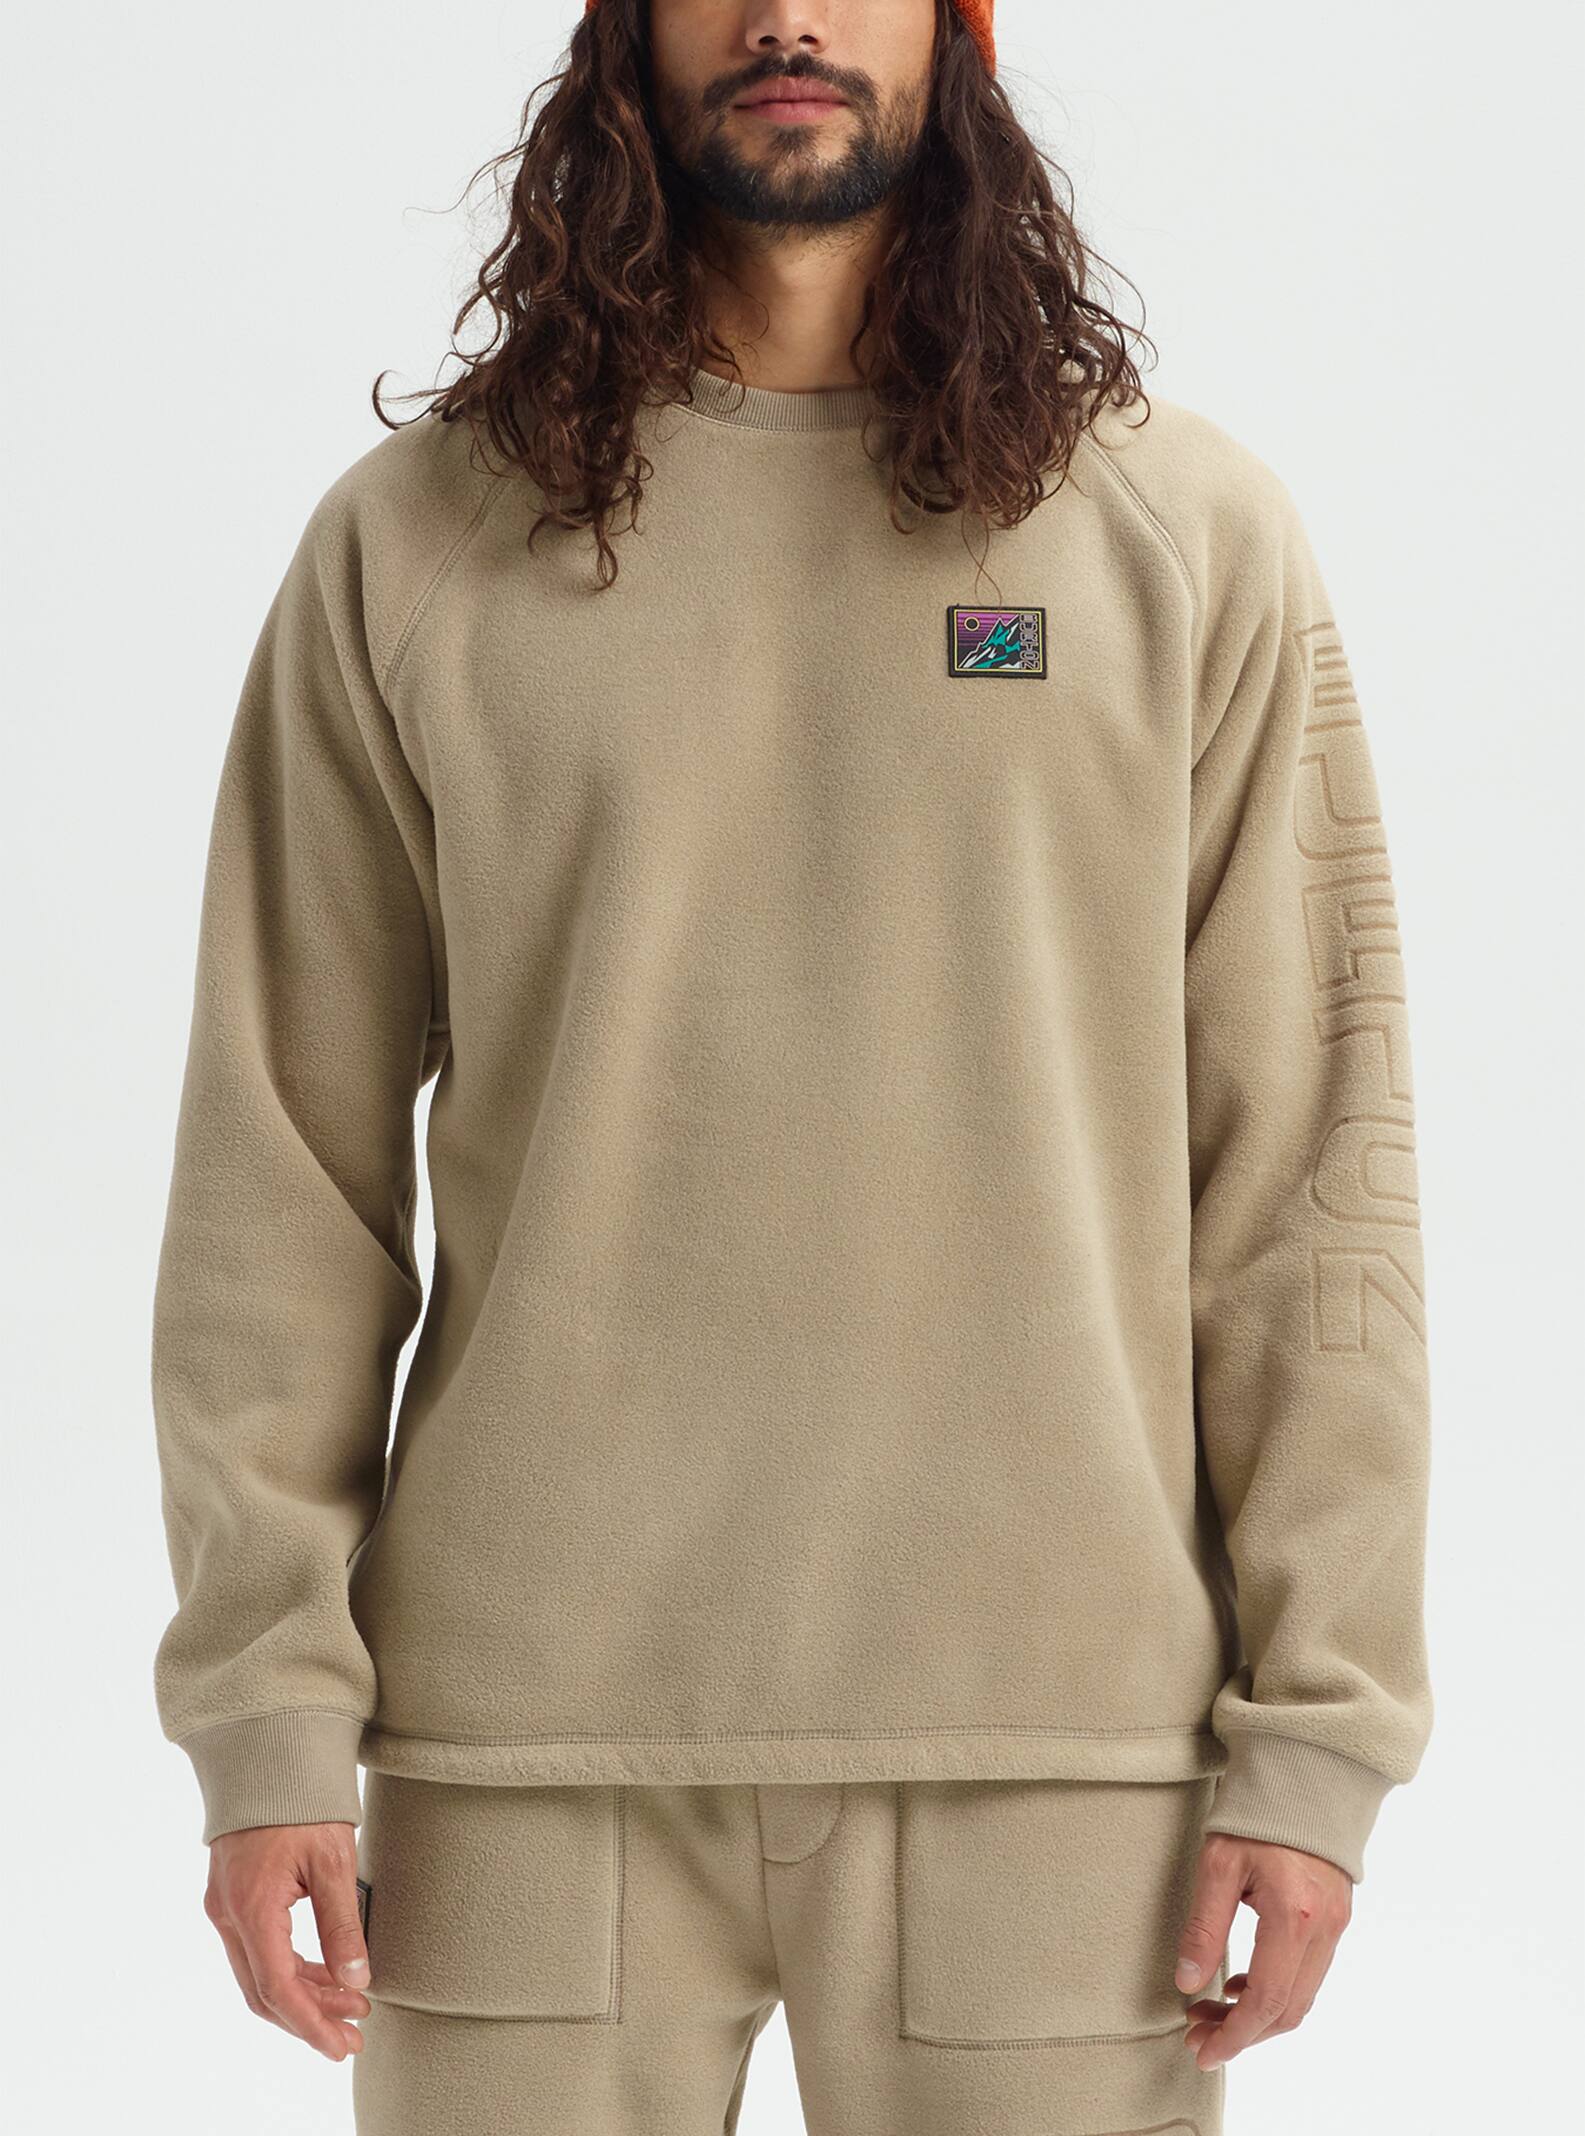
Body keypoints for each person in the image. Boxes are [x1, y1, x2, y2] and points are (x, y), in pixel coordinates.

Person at [149, 2, 1435, 2129]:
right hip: (520, 1751)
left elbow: (1304, 1165)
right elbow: (280, 1167)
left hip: (1056, 1753)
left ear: (954, 29)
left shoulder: (1178, 532)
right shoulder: (415, 544)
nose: (787, 18)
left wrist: (1319, 1731)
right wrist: (263, 1707)